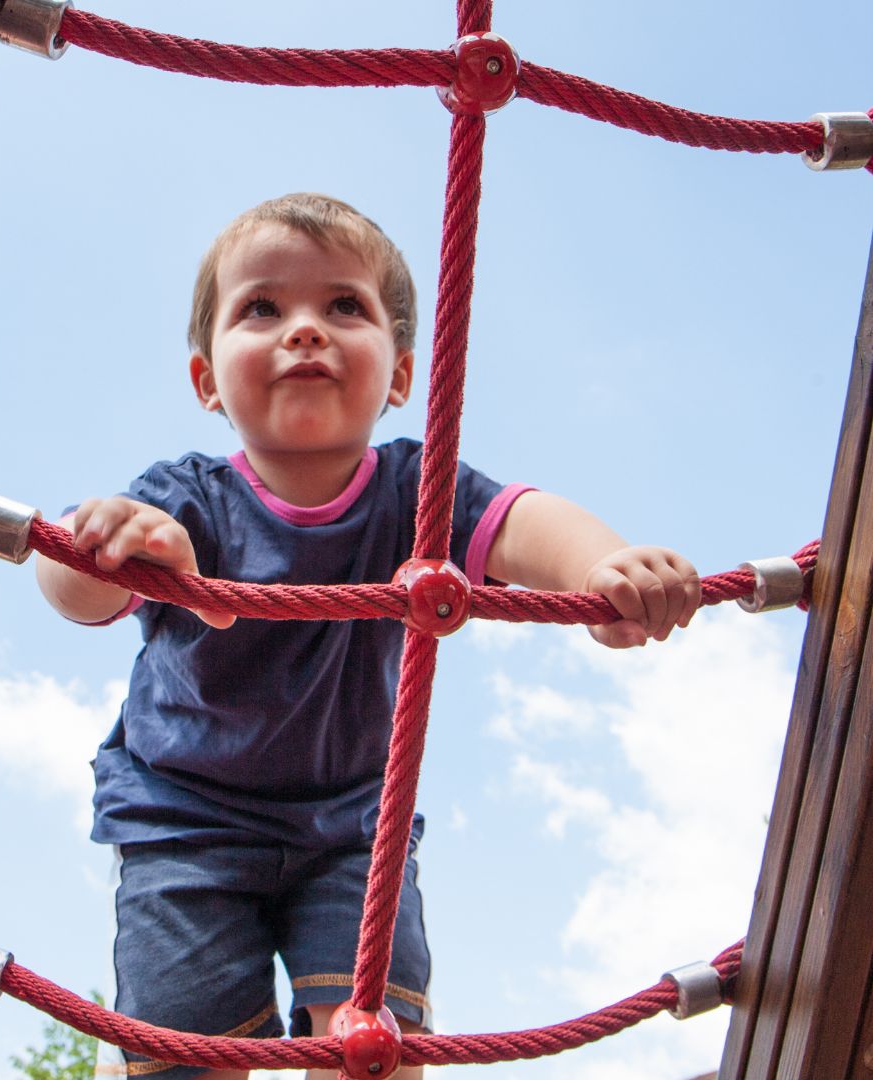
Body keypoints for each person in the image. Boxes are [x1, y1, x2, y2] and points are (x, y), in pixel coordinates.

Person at [36, 193, 701, 1080]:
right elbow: (70, 585)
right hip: (183, 819)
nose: (304, 329)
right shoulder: (186, 496)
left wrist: (603, 567)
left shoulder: (414, 490)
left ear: (397, 375)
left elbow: (523, 522)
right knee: (185, 1050)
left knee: (372, 1045)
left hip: (353, 826)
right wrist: (112, 546)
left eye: (343, 306)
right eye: (262, 308)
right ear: (206, 379)